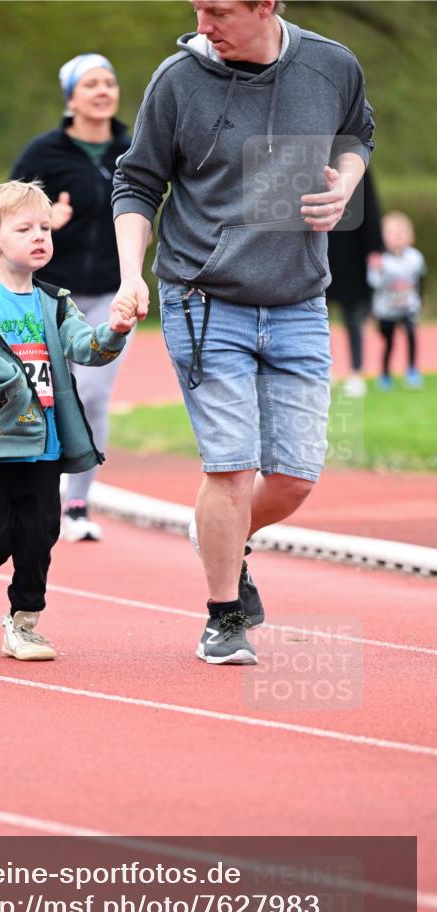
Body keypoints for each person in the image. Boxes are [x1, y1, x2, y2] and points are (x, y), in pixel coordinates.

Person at [111, 0, 374, 665]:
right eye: (197, 9)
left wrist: (343, 185)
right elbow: (136, 181)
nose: (203, 25)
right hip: (204, 297)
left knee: (292, 479)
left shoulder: (331, 65)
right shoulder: (177, 80)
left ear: (267, 7)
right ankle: (223, 616)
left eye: (219, 12)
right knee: (231, 465)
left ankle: (219, 535)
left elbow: (357, 137)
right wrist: (129, 275)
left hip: (297, 299)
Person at [0, 181, 135, 661]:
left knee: (38, 538)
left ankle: (23, 624)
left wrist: (116, 330)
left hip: (45, 444)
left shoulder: (56, 301)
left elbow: (86, 348)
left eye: (45, 228)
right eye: (24, 229)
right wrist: (9, 375)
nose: (39, 237)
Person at [10, 54, 132, 542]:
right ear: (70, 97)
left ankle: (77, 501)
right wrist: (42, 222)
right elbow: (4, 212)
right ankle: (28, 491)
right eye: (90, 84)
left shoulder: (133, 149)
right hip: (47, 296)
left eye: (109, 82)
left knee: (94, 394)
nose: (102, 91)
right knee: (39, 395)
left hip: (108, 292)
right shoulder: (44, 152)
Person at [327, 170, 384, 397]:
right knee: (319, 317)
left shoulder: (359, 168)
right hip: (321, 250)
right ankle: (324, 370)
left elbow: (371, 207)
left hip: (353, 252)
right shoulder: (312, 159)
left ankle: (357, 372)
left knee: (353, 316)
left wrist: (375, 249)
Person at [367, 211, 426, 390]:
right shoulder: (381, 260)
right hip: (386, 310)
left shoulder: (415, 258)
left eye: (402, 233)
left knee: (411, 335)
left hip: (408, 307)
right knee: (389, 342)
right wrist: (375, 269)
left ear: (411, 236)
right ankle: (385, 375)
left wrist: (418, 301)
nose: (398, 237)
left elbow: (421, 280)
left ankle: (412, 371)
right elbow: (373, 284)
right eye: (393, 233)